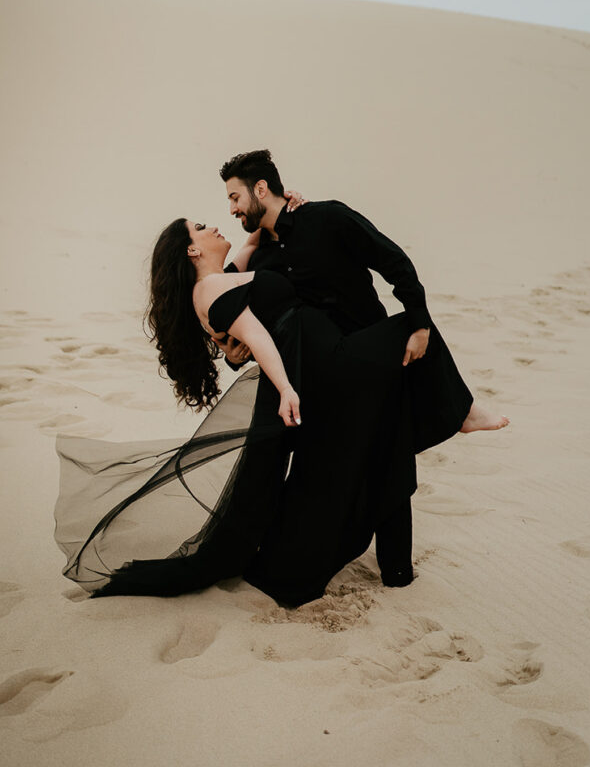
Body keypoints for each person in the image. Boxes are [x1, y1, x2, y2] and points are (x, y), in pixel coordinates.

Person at [55, 211, 507, 605]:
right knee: (414, 323)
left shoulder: (226, 274)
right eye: (201, 227)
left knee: (386, 432)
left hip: (322, 353)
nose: (215, 224)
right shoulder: (210, 289)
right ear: (191, 251)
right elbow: (258, 339)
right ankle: (462, 413)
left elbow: (254, 243)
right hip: (323, 362)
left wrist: (284, 207)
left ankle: (398, 566)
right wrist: (287, 388)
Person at [216, 150, 508, 586]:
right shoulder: (265, 258)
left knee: (391, 456)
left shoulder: (328, 218)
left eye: (236, 197)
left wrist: (421, 324)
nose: (232, 208)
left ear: (261, 189)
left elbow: (394, 262)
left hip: (374, 358)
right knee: (338, 471)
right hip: (326, 378)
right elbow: (242, 317)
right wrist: (231, 352)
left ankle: (397, 570)